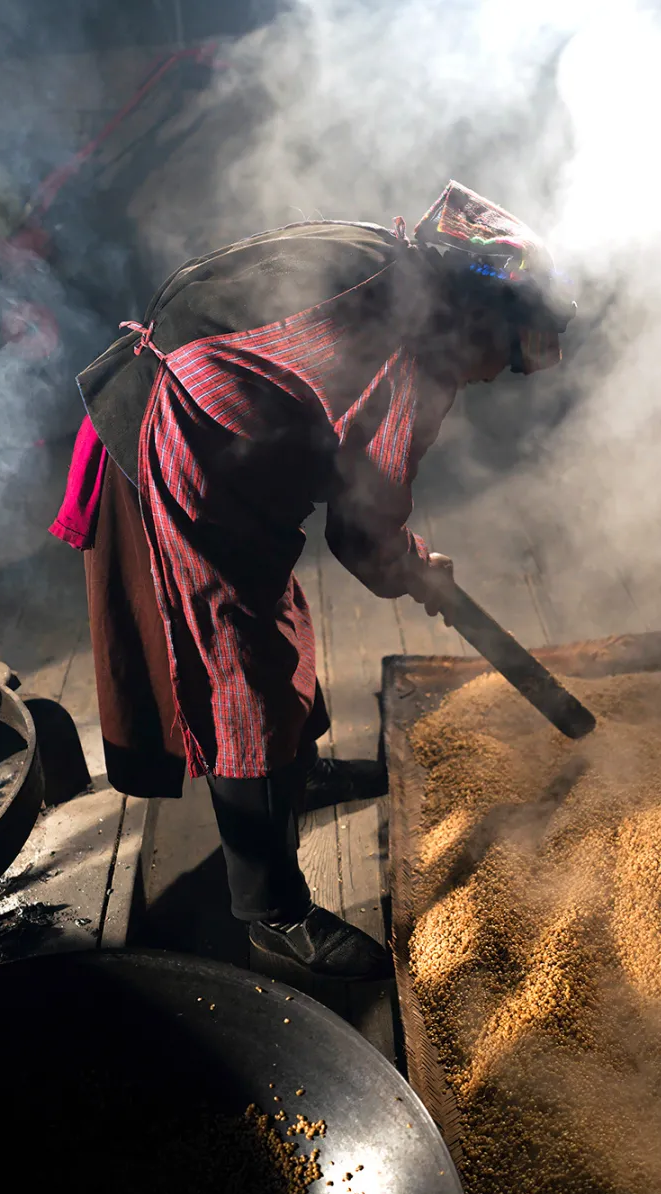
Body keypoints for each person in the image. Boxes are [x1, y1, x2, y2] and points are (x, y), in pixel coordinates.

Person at [51, 180, 575, 986]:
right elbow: (360, 532)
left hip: (216, 423)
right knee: (243, 668)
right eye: (507, 356)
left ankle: (294, 774)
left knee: (272, 622)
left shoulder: (399, 261)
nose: (497, 378)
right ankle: (271, 913)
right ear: (480, 318)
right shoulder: (420, 359)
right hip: (186, 432)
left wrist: (408, 557)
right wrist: (412, 569)